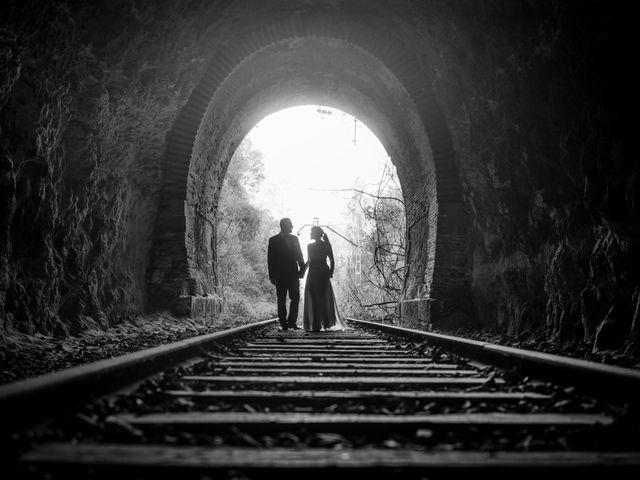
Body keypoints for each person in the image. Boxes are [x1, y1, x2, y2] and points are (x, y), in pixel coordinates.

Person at [303, 226, 347, 332]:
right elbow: (331, 261)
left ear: (316, 234)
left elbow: (310, 261)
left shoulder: (314, 246)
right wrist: (330, 272)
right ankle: (319, 323)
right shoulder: (325, 245)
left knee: (315, 297)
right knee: (321, 298)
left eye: (311, 232)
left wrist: (302, 271)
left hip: (316, 273)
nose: (310, 234)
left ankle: (317, 324)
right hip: (320, 273)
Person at [268, 218, 306, 330]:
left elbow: (300, 255)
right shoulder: (273, 240)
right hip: (279, 275)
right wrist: (272, 276)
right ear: (284, 226)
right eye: (290, 225)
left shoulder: (294, 239)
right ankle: (283, 323)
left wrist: (302, 270)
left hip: (293, 274)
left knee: (295, 298)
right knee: (281, 299)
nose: (292, 227)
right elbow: (270, 259)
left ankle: (292, 322)